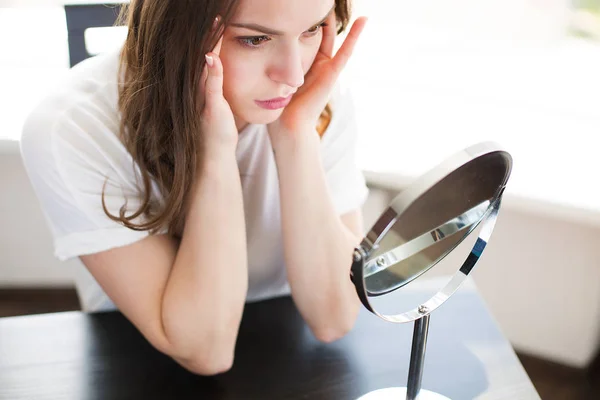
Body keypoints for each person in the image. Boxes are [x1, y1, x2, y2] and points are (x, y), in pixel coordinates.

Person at [20, 0, 369, 376]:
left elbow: (335, 317)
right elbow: (205, 349)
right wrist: (215, 154)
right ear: (178, 30)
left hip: (288, 355)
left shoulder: (317, 98)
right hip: (139, 365)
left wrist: (296, 136)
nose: (294, 75)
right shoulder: (74, 127)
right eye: (254, 39)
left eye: (311, 30)